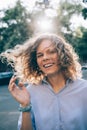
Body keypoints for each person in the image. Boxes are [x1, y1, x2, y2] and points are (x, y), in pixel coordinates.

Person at [1, 33, 87, 130]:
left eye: (51, 52)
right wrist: (25, 106)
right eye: (40, 55)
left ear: (63, 55)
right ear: (35, 61)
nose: (45, 58)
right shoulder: (30, 92)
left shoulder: (84, 89)